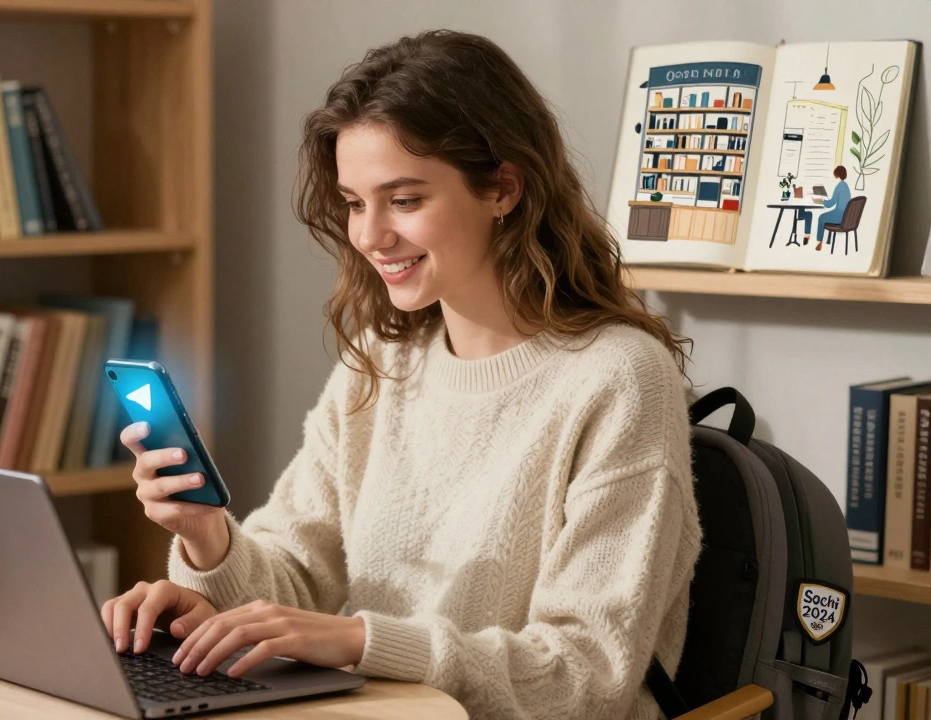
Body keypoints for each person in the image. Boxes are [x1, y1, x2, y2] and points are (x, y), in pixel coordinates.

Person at [102, 30, 701, 720]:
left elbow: (586, 676)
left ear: (503, 188)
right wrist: (207, 539)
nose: (369, 235)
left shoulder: (619, 378)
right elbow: (296, 579)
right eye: (355, 203)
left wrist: (361, 641)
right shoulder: (384, 360)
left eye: (405, 200)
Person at [800, 165, 852, 251]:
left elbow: (830, 204)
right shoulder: (846, 186)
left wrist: (823, 200)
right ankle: (827, 241)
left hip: (839, 216)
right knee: (825, 216)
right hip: (845, 216)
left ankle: (819, 241)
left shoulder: (840, 186)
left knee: (821, 217)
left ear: (837, 174)